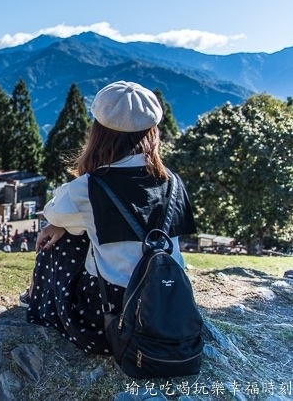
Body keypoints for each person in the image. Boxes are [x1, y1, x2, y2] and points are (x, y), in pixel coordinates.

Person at [21, 81, 197, 356]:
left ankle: (38, 299)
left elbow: (54, 211)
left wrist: (58, 225)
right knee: (80, 229)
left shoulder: (90, 187)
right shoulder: (173, 182)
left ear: (99, 132)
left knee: (60, 239)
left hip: (109, 315)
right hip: (167, 302)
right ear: (152, 132)